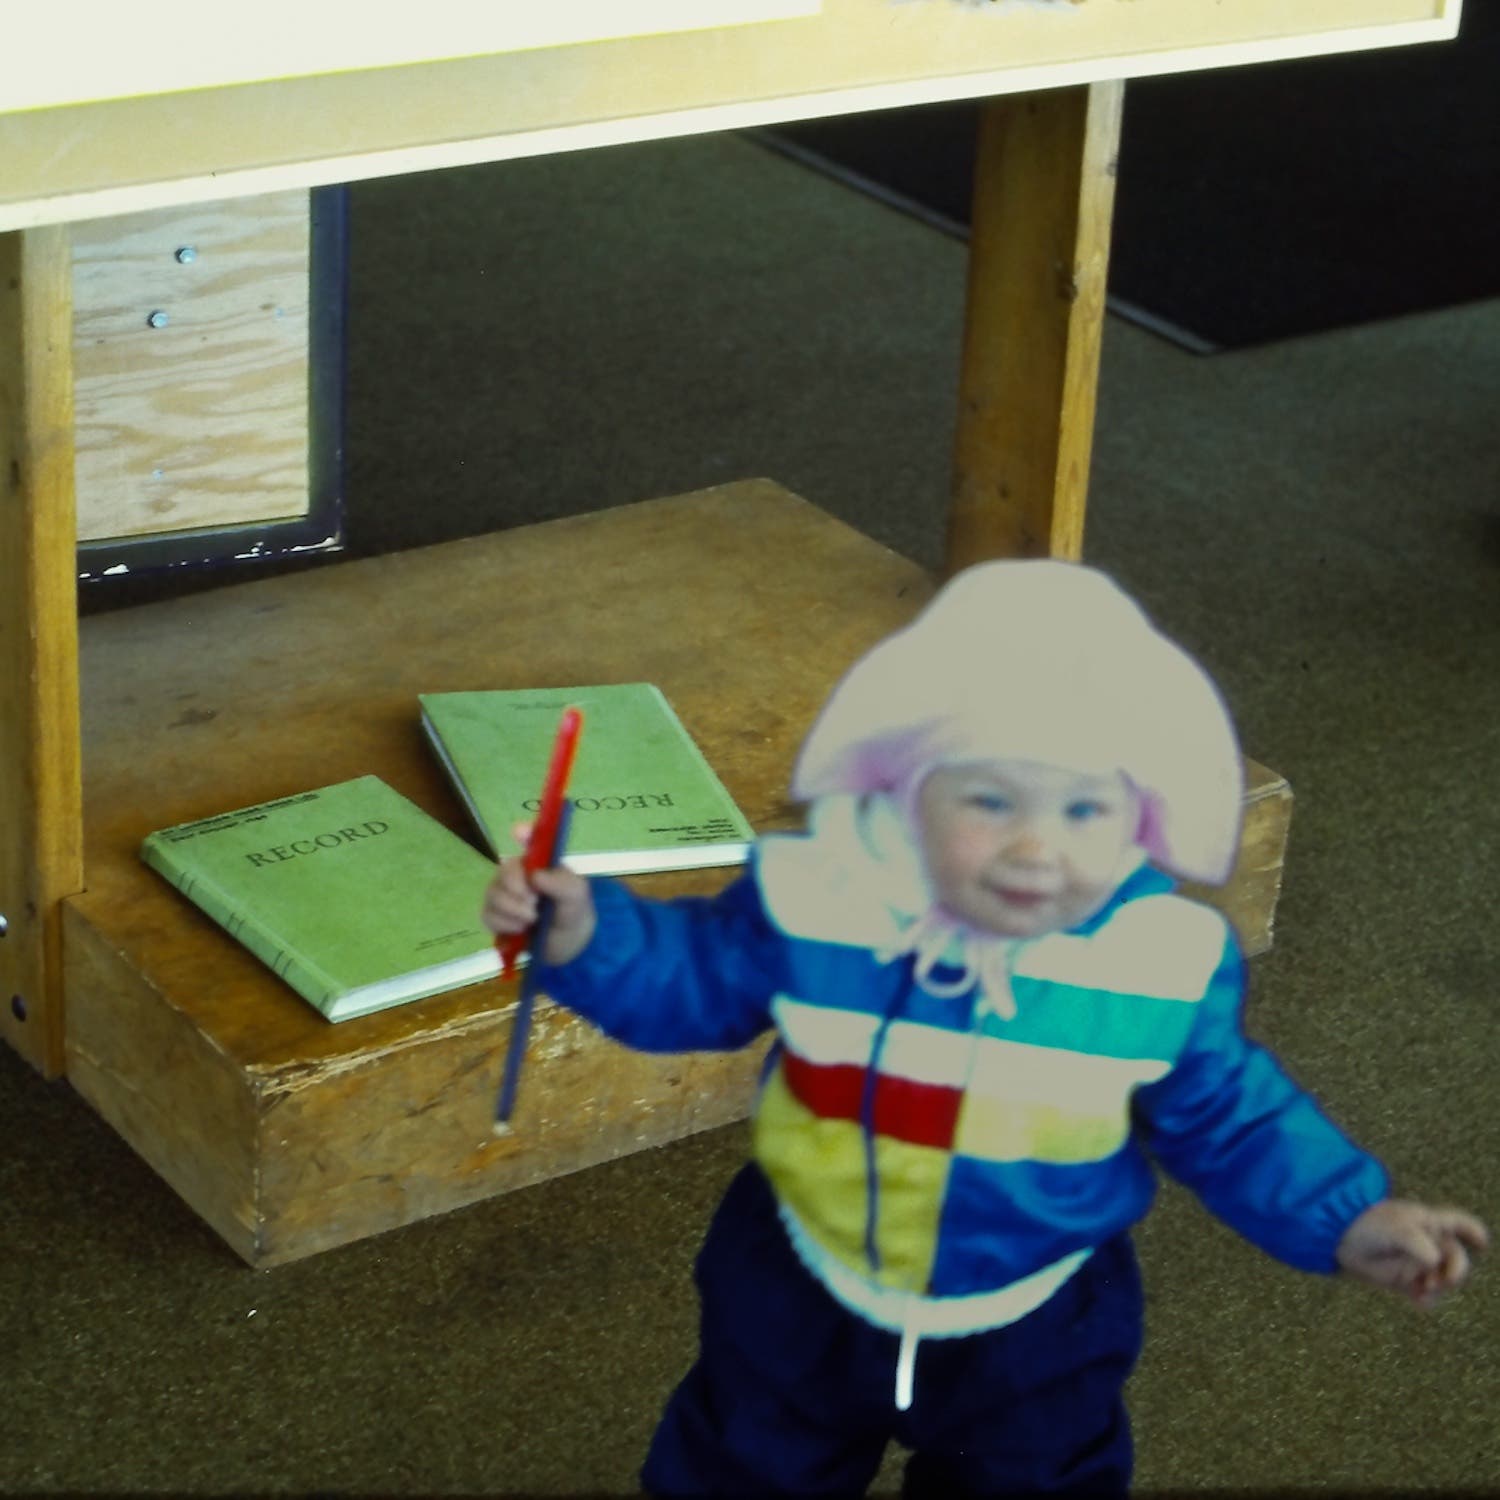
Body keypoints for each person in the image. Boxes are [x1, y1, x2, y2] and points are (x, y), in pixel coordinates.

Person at [480, 560, 1487, 1497]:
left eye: (1087, 810)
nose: (1037, 848)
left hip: (1038, 1306)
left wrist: (1344, 1218)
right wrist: (584, 936)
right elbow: (693, 978)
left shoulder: (1156, 965)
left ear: (1139, 818)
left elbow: (1233, 1117)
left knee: (1035, 1477)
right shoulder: (822, 900)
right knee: (745, 1462)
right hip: (801, 1274)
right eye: (992, 800)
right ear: (912, 790)